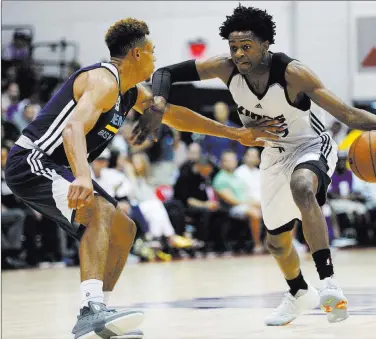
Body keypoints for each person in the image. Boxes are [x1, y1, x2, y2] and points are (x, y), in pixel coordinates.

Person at [4, 17, 276, 339]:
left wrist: (235, 133)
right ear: (136, 54)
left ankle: (99, 314)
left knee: (124, 228)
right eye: (152, 50)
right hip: (33, 160)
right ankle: (92, 308)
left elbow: (175, 115)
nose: (155, 57)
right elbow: (72, 128)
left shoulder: (130, 91)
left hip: (60, 166)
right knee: (100, 212)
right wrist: (82, 176)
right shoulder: (103, 81)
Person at [135, 4, 376, 326]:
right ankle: (298, 292)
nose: (238, 53)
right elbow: (163, 74)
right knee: (276, 243)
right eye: (233, 47)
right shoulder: (224, 68)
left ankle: (328, 282)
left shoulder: (292, 73)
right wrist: (159, 103)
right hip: (272, 153)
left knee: (302, 187)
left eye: (246, 46)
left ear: (266, 45)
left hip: (310, 145)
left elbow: (346, 114)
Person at [213, 150, 263, 252]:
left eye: (233, 160)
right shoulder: (220, 178)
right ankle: (257, 244)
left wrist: (255, 202)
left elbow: (245, 195)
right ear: (222, 162)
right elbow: (232, 201)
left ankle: (271, 242)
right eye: (228, 161)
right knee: (255, 213)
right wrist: (251, 203)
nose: (232, 162)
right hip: (231, 209)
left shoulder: (235, 176)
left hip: (244, 204)